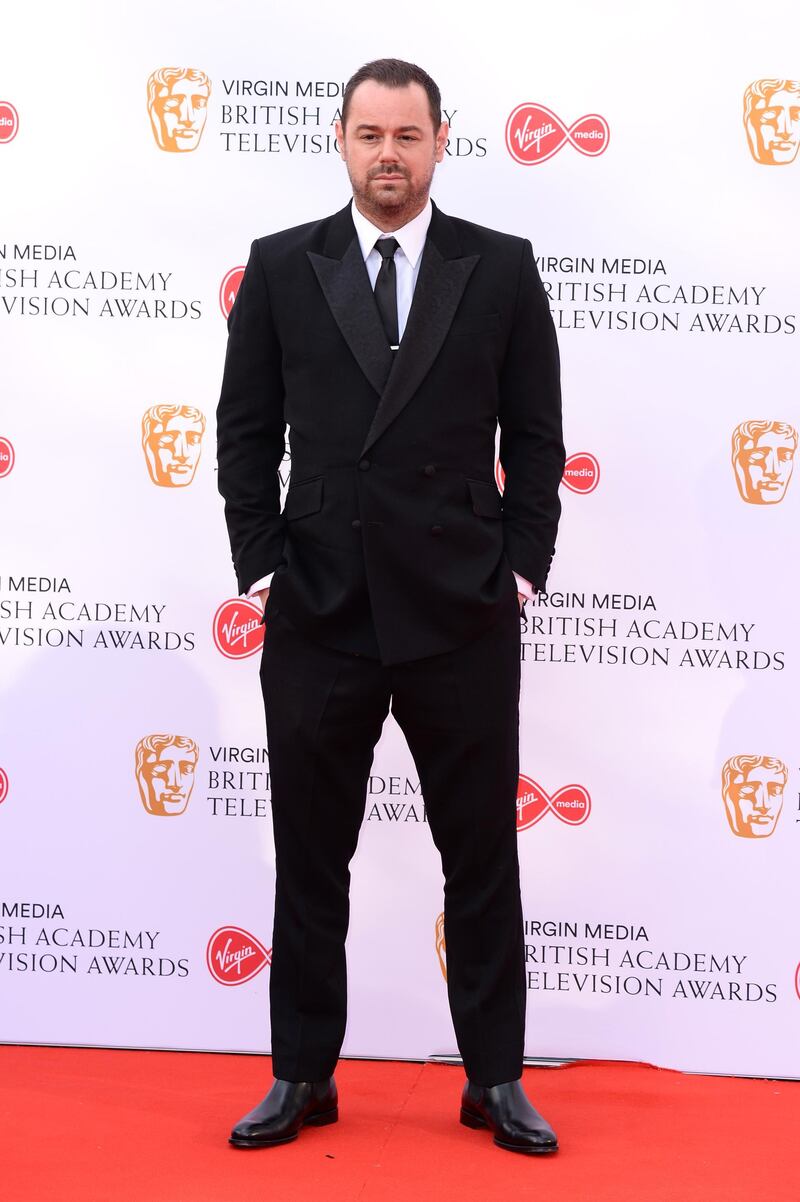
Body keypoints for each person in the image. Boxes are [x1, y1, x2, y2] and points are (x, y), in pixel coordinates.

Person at [216, 57, 565, 1156]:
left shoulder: (497, 268)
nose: (386, 155)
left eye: (405, 137)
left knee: (481, 857)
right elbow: (242, 433)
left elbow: (538, 438)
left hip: (458, 609)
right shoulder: (283, 266)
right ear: (339, 138)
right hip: (320, 606)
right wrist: (264, 562)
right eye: (368, 135)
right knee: (310, 853)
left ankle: (494, 1077)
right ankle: (303, 1074)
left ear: (438, 142)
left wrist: (516, 564)